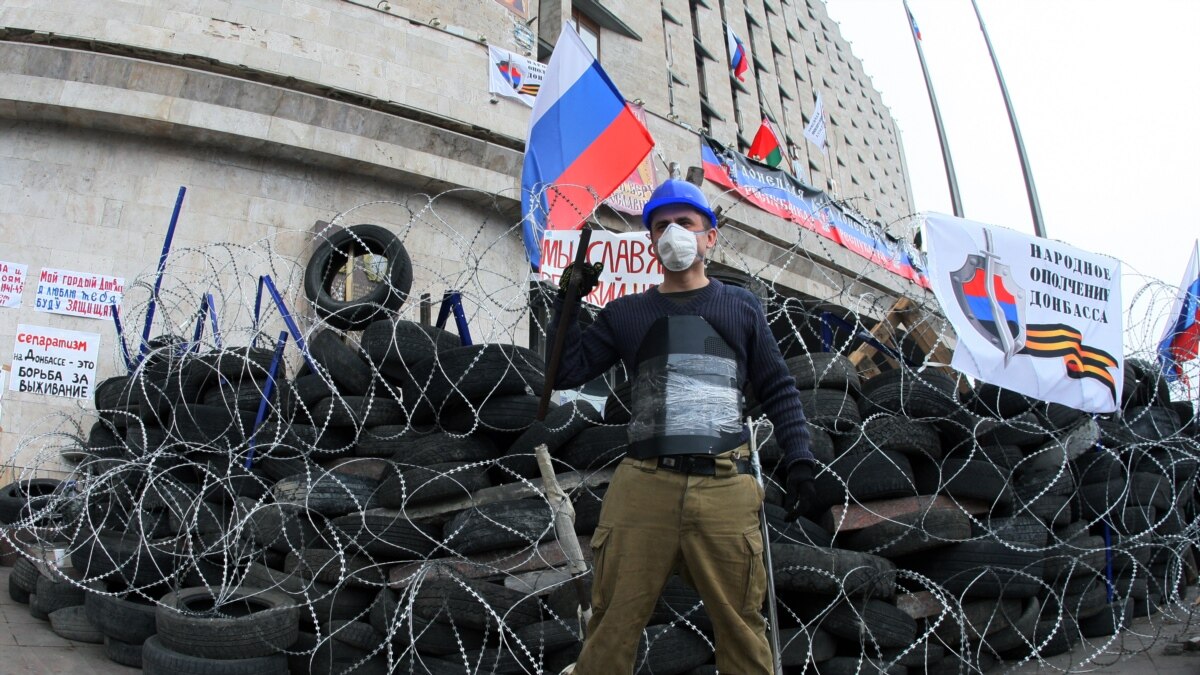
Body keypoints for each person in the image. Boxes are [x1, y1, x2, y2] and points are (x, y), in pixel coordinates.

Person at [548, 179, 816, 674]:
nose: (673, 234)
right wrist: (566, 303)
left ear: (710, 236)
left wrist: (800, 459)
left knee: (741, 627)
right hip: (643, 488)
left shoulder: (740, 307)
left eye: (685, 223)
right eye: (661, 226)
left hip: (724, 487)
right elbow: (563, 373)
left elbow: (778, 386)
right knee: (610, 627)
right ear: (651, 243)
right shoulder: (626, 314)